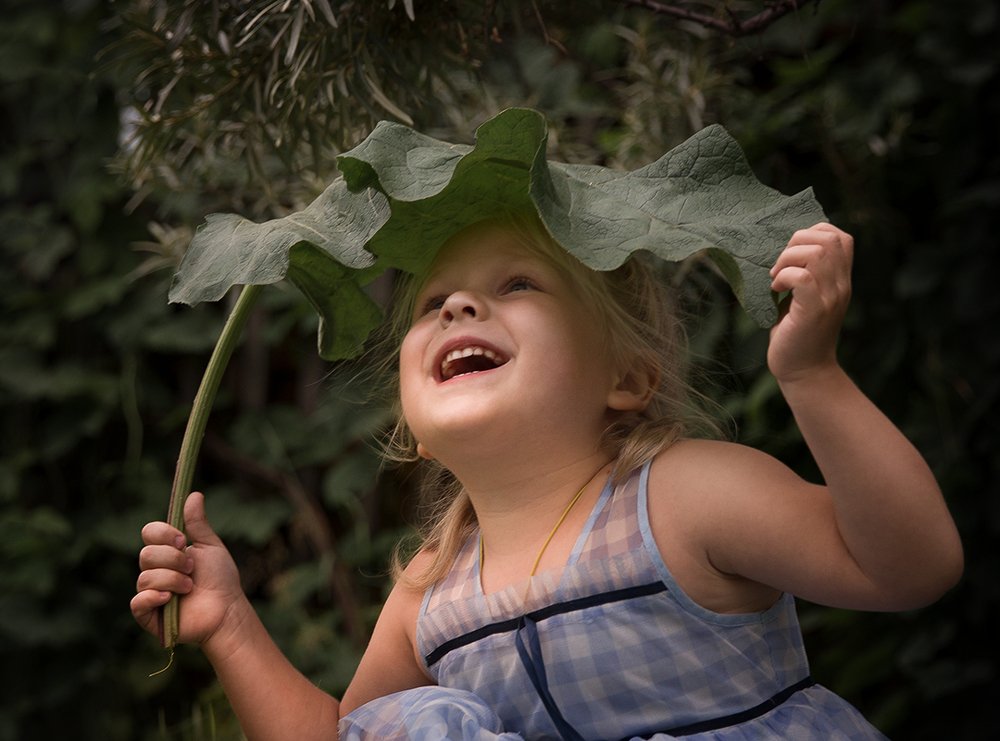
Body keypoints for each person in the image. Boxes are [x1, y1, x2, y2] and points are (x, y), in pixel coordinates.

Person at [132, 212, 963, 740]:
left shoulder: (680, 498)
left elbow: (908, 566)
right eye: (434, 303)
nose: (457, 307)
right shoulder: (432, 589)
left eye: (517, 284)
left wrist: (813, 373)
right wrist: (232, 624)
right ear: (412, 431)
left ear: (626, 379)